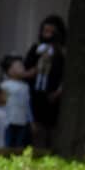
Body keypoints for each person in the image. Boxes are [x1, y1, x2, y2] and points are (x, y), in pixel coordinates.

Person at [25, 14, 67, 148]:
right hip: (37, 96)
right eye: (44, 30)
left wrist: (58, 92)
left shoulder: (62, 52)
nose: (46, 34)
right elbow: (27, 68)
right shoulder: (36, 49)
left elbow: (65, 75)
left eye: (50, 31)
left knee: (53, 134)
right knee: (38, 134)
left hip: (54, 97)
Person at [0, 55, 32, 149]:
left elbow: (27, 105)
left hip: (22, 120)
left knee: (19, 144)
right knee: (7, 142)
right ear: (9, 70)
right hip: (8, 120)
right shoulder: (5, 85)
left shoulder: (25, 86)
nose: (22, 68)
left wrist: (30, 120)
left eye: (22, 66)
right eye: (18, 66)